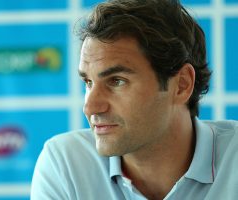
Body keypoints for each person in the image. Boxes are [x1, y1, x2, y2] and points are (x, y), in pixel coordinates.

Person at [31, 0, 238, 199]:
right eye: (88, 82)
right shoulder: (66, 164)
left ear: (182, 84)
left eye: (117, 81)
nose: (90, 107)